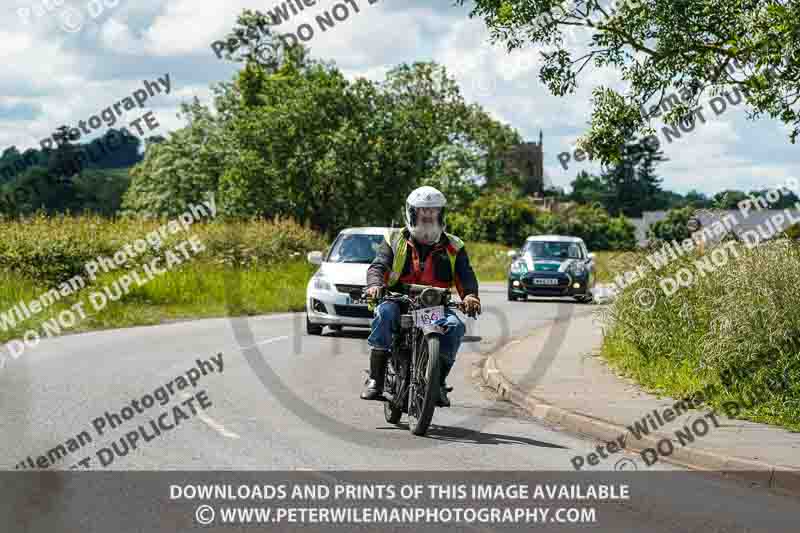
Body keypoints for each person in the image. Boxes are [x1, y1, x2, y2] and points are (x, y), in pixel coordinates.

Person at [360, 186, 481, 407]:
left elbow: (466, 275)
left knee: (455, 327)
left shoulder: (455, 246)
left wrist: (471, 296)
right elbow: (378, 266)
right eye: (423, 212)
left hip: (434, 305)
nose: (428, 216)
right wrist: (375, 286)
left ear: (441, 214)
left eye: (433, 212)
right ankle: (376, 379)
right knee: (384, 314)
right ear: (411, 213)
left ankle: (438, 383)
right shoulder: (394, 239)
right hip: (399, 300)